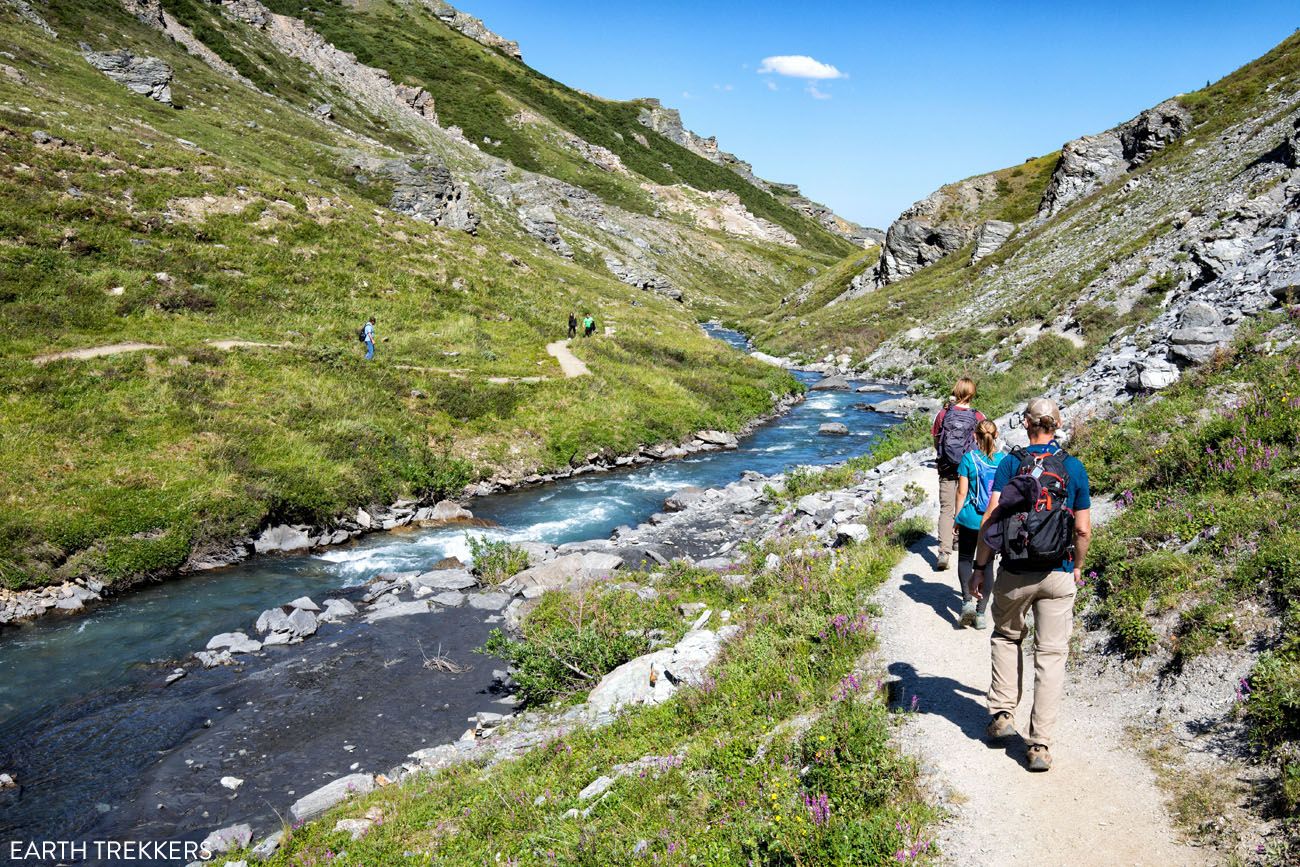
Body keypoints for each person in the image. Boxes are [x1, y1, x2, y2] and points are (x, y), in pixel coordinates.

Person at [971, 398, 1091, 773]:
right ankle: (1039, 745)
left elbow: (992, 516)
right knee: (1051, 656)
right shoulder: (1072, 468)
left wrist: (980, 567)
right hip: (1058, 571)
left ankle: (1003, 713)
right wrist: (1078, 566)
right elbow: (1083, 528)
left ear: (1027, 424)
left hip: (1015, 571)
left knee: (1007, 637)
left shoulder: (1010, 464)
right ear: (1056, 425)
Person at [931, 377, 986, 571]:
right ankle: (959, 541)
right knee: (965, 502)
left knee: (946, 508)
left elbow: (936, 440)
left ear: (956, 391)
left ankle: (944, 553)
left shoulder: (944, 414)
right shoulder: (978, 416)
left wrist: (943, 456)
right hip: (969, 466)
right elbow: (984, 443)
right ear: (972, 394)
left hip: (946, 466)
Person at [953, 419, 1004, 629]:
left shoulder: (968, 459)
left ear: (975, 436)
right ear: (997, 435)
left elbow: (962, 492)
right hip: (992, 520)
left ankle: (966, 602)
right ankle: (981, 613)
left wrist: (957, 518)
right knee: (988, 565)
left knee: (965, 559)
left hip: (971, 518)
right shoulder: (1004, 461)